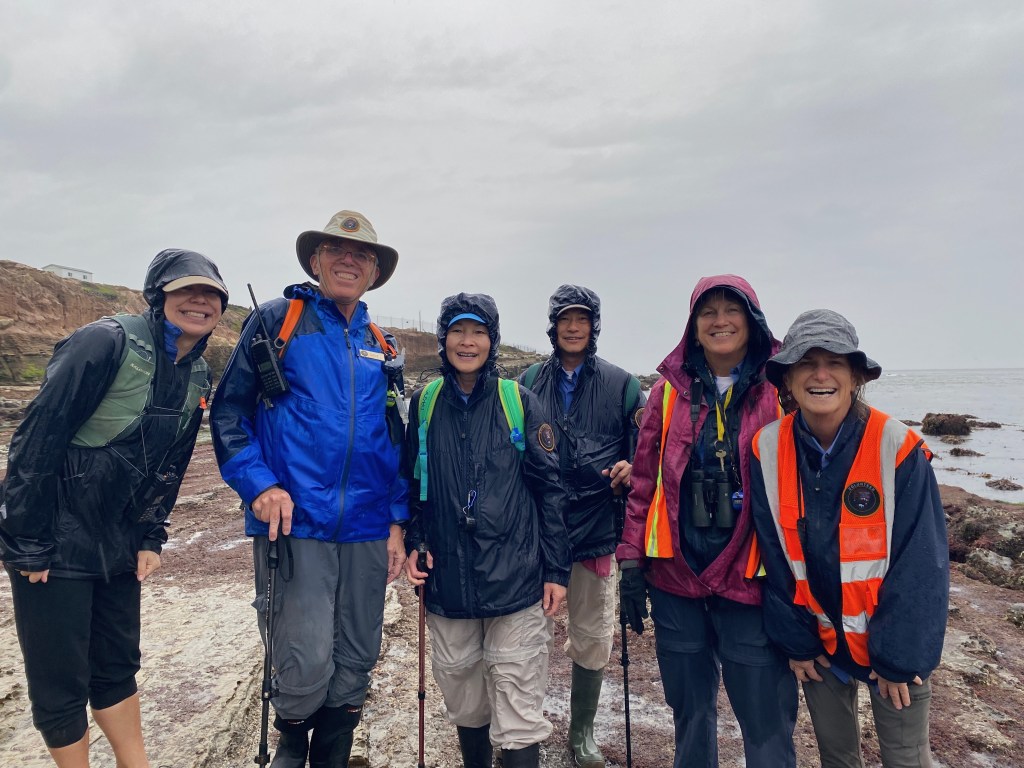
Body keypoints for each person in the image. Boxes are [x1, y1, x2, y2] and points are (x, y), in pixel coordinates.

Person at [0, 249, 228, 768]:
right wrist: (26, 541)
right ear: (157, 296)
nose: (200, 300)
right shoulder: (105, 341)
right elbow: (37, 437)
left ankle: (135, 763)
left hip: (119, 537)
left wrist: (150, 537)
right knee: (60, 675)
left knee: (117, 663)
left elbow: (172, 464)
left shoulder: (198, 373)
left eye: (212, 293)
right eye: (185, 290)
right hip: (55, 535)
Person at [211, 210, 408, 768]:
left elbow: (395, 439)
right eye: (336, 250)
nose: (349, 260)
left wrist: (397, 521)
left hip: (368, 525)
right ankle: (293, 743)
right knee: (303, 650)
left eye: (362, 255)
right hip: (295, 521)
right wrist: (260, 485)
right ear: (316, 261)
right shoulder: (279, 320)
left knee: (359, 647)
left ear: (374, 272)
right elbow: (228, 413)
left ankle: (334, 750)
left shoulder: (382, 343)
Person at [750, 309, 948, 768]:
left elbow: (923, 563)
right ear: (788, 378)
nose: (820, 375)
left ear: (857, 376)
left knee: (906, 759)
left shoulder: (898, 446)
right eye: (806, 362)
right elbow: (773, 557)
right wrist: (797, 642)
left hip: (892, 650)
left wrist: (898, 659)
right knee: (837, 758)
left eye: (835, 362)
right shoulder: (766, 447)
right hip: (818, 644)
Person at [616, 274, 798, 768]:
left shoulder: (780, 393)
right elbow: (644, 483)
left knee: (765, 721)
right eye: (708, 312)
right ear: (693, 326)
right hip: (676, 578)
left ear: (752, 320)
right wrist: (630, 561)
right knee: (690, 715)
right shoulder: (666, 394)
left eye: (732, 310)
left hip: (752, 582)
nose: (720, 321)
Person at [403, 293, 571, 768]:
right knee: (465, 700)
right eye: (458, 331)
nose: (467, 341)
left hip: (516, 582)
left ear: (492, 340)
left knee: (518, 709)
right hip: (447, 584)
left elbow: (551, 491)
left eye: (478, 332)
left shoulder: (518, 402)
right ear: (444, 339)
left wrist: (556, 571)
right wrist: (415, 541)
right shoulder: (425, 404)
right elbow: (412, 485)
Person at [518, 284, 645, 768]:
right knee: (528, 633)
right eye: (565, 319)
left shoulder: (624, 385)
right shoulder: (528, 381)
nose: (573, 328)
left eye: (582, 319)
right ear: (553, 327)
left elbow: (643, 452)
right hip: (538, 529)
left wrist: (632, 468)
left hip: (596, 528)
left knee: (592, 634)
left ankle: (582, 731)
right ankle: (522, 726)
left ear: (594, 326)